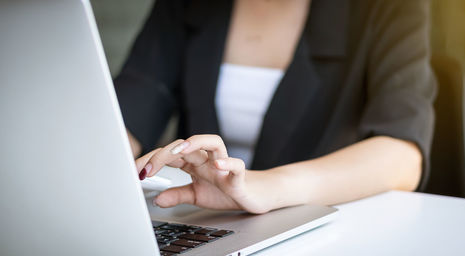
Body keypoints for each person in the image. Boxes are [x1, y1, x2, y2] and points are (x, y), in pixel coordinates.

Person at [114, 0, 436, 214]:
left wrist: (266, 187)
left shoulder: (386, 7)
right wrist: (97, 161)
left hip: (327, 226)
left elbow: (402, 156)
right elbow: (130, 109)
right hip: (204, 221)